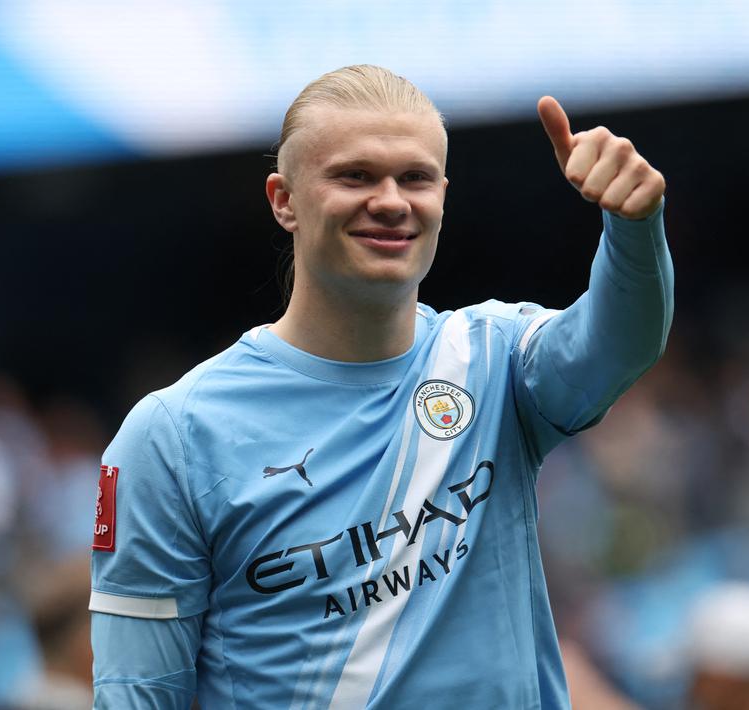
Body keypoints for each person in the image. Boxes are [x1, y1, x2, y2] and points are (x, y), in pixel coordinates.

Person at [89, 64, 672, 708]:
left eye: (415, 177)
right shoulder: (172, 436)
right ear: (284, 199)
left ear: (442, 196)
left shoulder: (492, 355)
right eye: (355, 175)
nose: (392, 200)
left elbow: (619, 346)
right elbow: (137, 694)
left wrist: (636, 226)